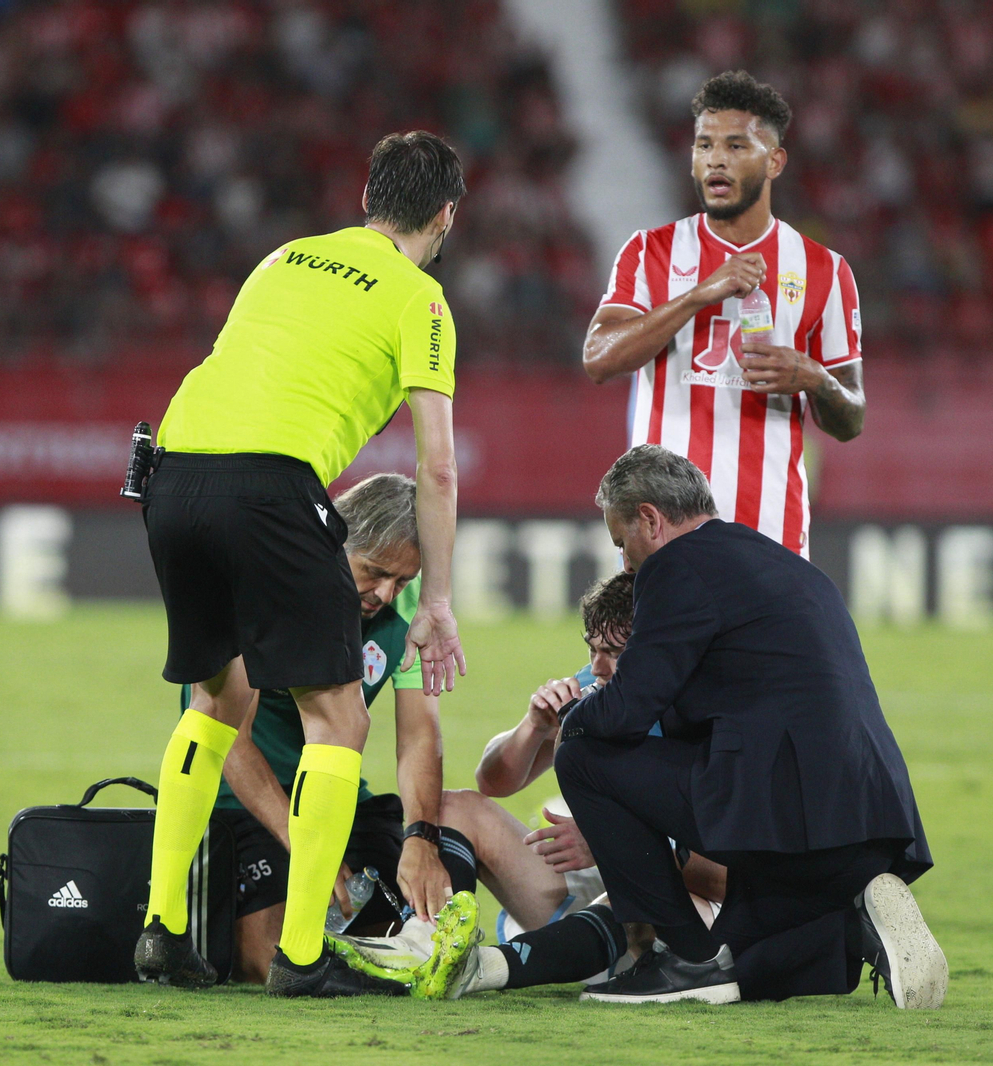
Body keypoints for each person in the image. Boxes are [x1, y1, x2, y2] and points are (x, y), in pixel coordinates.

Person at [134, 130, 468, 997]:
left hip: (171, 472)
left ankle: (163, 931)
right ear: (445, 216)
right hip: (268, 483)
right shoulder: (422, 299)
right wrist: (437, 599)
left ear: (365, 200)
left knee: (217, 701)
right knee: (339, 719)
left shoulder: (282, 258)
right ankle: (304, 957)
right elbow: (436, 466)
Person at [554, 445, 946, 1007]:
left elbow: (628, 709)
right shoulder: (787, 565)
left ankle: (682, 957)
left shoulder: (675, 566)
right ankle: (855, 920)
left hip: (781, 812)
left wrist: (572, 716)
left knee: (582, 754)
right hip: (865, 818)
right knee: (747, 965)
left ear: (650, 519)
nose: (625, 563)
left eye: (622, 542)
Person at [332, 572, 726, 999]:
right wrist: (534, 726)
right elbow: (492, 781)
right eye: (593, 650)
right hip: (598, 877)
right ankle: (425, 943)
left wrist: (616, 844)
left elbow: (728, 876)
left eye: (614, 653)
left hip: (679, 916)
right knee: (454, 808)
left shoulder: (707, 714)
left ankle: (478, 968)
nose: (598, 667)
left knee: (636, 901)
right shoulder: (598, 687)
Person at [582, 70, 865, 557]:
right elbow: (598, 359)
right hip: (663, 534)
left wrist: (815, 378)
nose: (715, 158)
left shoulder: (825, 270)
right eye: (704, 145)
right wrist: (697, 296)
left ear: (774, 161)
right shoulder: (650, 252)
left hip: (770, 533)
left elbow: (852, 417)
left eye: (736, 146)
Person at [203, 474, 458, 984]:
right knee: (268, 956)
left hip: (339, 799)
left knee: (412, 925)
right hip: (247, 802)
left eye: (402, 581)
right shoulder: (263, 582)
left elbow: (419, 736)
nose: (385, 594)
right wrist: (306, 844)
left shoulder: (414, 606)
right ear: (336, 540)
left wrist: (420, 837)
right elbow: (229, 739)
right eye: (376, 572)